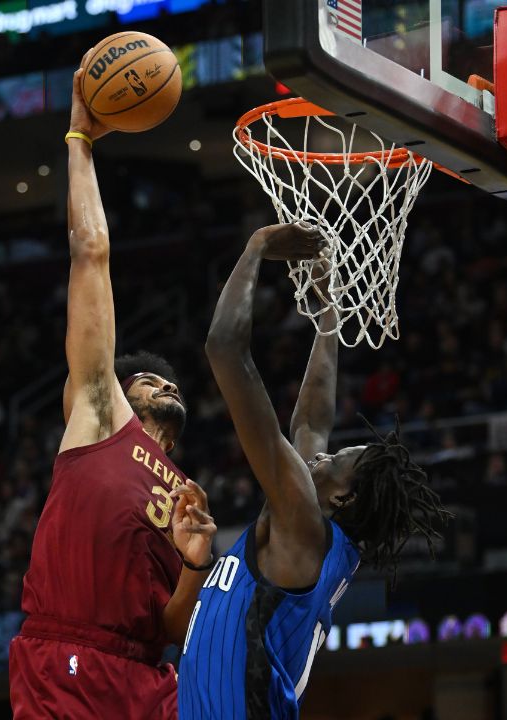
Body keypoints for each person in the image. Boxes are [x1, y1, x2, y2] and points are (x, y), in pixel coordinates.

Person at [9, 54, 218, 720]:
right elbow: (91, 252)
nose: (163, 381)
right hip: (65, 665)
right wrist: (79, 140)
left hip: (147, 680)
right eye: (147, 378)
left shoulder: (186, 495)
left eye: (169, 379)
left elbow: (174, 632)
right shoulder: (100, 416)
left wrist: (193, 563)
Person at [178, 224, 452, 718]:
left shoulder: (303, 526)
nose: (323, 456)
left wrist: (255, 247)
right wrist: (330, 312)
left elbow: (224, 350)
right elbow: (311, 421)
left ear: (343, 498)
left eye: (336, 459)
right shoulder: (317, 534)